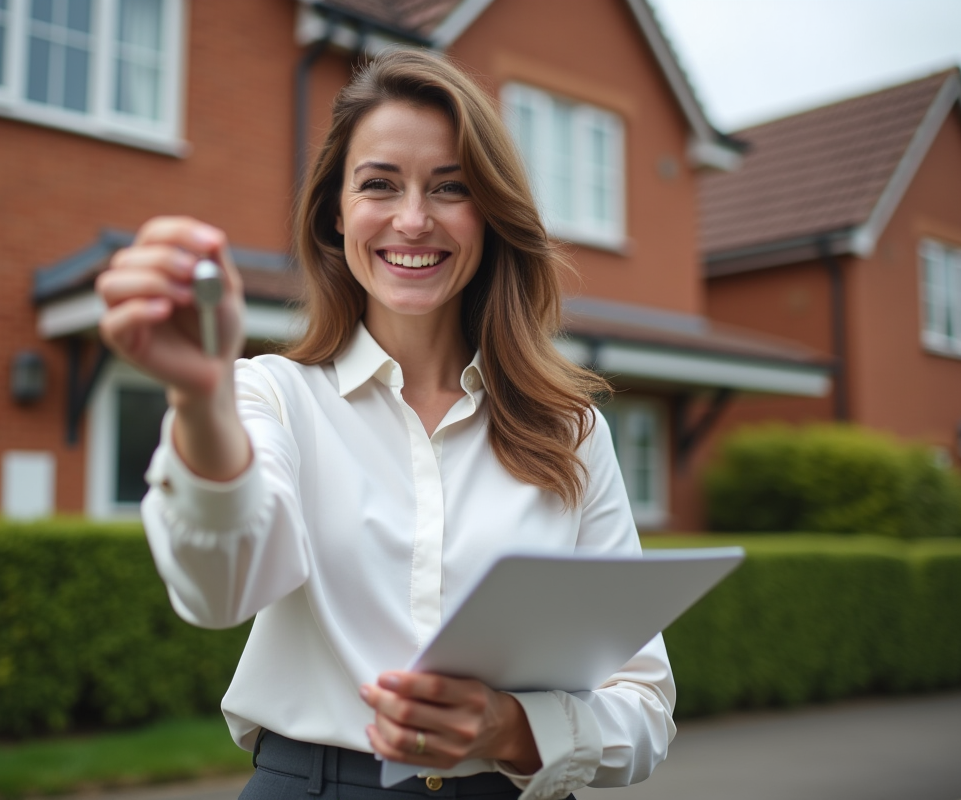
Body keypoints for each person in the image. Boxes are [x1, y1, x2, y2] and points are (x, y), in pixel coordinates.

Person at [97, 48, 675, 800]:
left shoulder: (570, 432)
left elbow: (645, 706)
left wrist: (508, 727)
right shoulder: (271, 398)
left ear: (491, 214)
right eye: (379, 185)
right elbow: (219, 589)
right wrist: (202, 400)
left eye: (450, 188)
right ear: (337, 213)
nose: (413, 219)